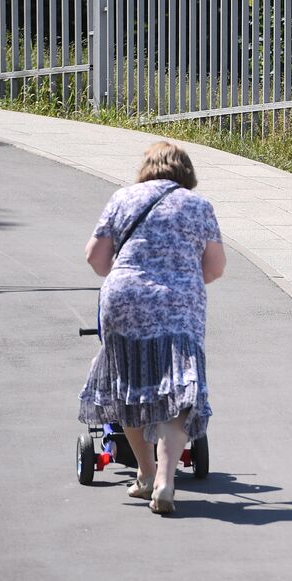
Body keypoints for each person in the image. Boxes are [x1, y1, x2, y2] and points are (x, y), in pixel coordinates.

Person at [78, 141, 226, 514]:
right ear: (186, 171)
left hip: (124, 298)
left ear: (145, 168)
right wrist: (180, 279)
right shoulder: (199, 206)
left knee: (127, 386)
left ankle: (144, 474)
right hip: (179, 305)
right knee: (179, 392)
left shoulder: (123, 198)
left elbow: (95, 257)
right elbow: (215, 268)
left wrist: (125, 274)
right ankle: (164, 479)